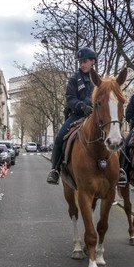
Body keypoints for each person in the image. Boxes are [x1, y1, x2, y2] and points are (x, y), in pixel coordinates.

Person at [47, 46, 97, 184]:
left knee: (113, 137)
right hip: (77, 115)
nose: (82, 64)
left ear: (93, 61)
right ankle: (55, 170)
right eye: (80, 61)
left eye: (85, 61)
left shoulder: (98, 79)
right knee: (59, 138)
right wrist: (81, 105)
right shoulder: (74, 79)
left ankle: (119, 170)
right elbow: (70, 98)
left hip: (96, 116)